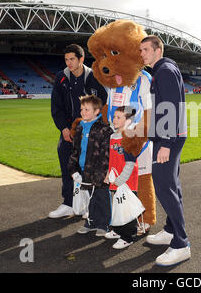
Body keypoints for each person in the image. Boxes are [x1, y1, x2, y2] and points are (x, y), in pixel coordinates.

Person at [140, 35, 190, 266]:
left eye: (146, 50)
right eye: (141, 50)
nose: (142, 54)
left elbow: (171, 107)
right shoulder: (163, 70)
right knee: (171, 185)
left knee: (164, 187)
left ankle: (181, 244)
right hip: (167, 136)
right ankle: (171, 231)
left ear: (158, 50)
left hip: (168, 138)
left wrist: (166, 144)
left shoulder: (165, 71)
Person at [49, 44, 108, 219]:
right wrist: (64, 129)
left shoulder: (93, 78)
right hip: (69, 131)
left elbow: (103, 103)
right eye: (66, 59)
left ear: (81, 59)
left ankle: (89, 205)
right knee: (67, 165)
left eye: (72, 59)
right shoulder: (61, 78)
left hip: (90, 131)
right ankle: (68, 203)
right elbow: (56, 106)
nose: (69, 63)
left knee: (89, 168)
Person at [67, 94, 112, 236]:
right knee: (89, 198)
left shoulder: (104, 130)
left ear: (96, 111)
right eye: (82, 109)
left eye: (87, 109)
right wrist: (73, 169)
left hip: (99, 171)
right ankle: (91, 222)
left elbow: (106, 154)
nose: (83, 112)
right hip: (83, 170)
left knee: (101, 198)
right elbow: (75, 150)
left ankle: (104, 224)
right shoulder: (80, 128)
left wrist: (101, 173)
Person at [104, 106, 141, 249]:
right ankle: (118, 231)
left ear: (128, 120)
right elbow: (111, 160)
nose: (114, 119)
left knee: (127, 209)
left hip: (127, 182)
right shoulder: (112, 137)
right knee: (117, 207)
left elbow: (130, 164)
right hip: (116, 180)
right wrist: (108, 174)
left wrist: (121, 179)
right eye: (114, 117)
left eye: (119, 117)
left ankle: (128, 236)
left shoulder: (129, 137)